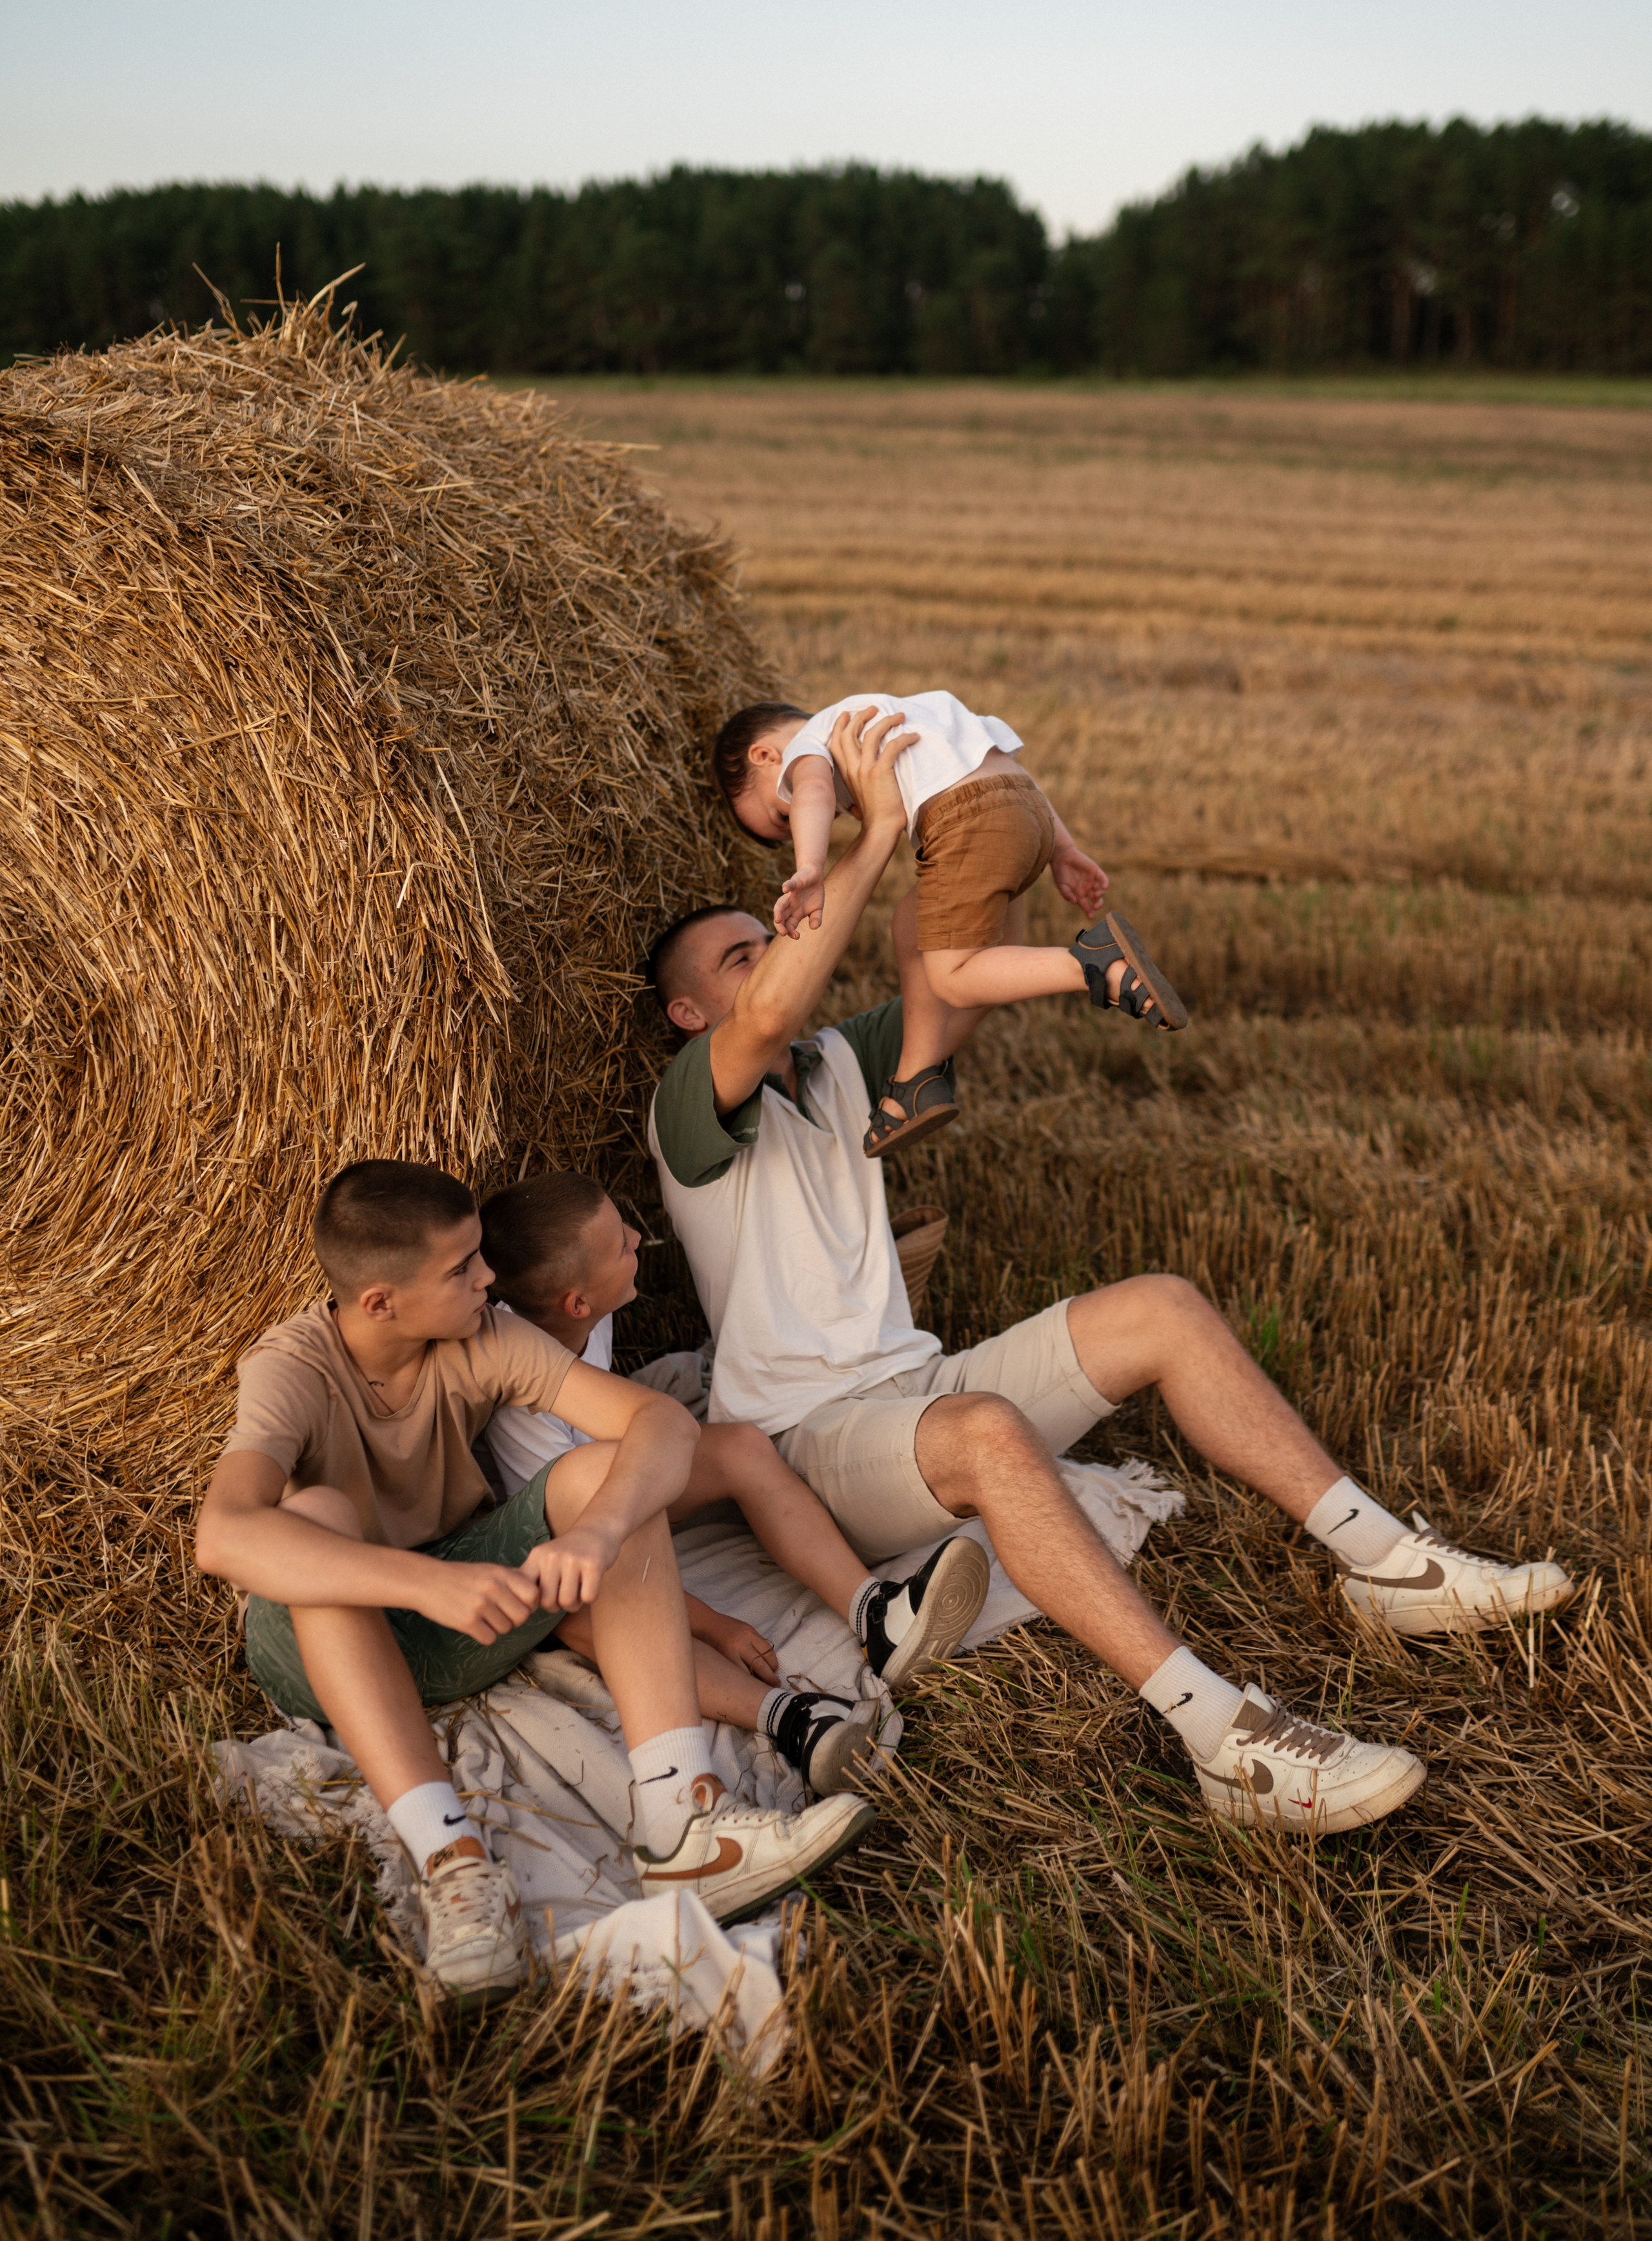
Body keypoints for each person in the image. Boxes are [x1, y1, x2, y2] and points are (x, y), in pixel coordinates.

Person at [647, 707, 1575, 1838]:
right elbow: (776, 999)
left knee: (1163, 1310)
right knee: (991, 1430)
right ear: (693, 1008)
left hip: (914, 1386)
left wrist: (982, 817)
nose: (780, 949)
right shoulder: (693, 1101)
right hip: (815, 1443)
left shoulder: (842, 1063)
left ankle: (1390, 1564)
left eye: (770, 933)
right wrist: (869, 832)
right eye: (741, 952)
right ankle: (1220, 1731)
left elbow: (960, 959)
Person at [194, 1161, 876, 2001]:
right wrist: (417, 1582)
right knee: (321, 1511)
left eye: (482, 1255)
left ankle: (681, 1819)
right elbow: (224, 1535)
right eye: (462, 1269)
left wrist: (598, 1526)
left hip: (465, 1614)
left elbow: (657, 1422)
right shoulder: (291, 1368)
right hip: (320, 1645)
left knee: (602, 1474)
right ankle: (455, 1865)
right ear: (380, 1301)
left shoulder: (484, 1333)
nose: (489, 1278)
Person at [477, 1168, 991, 1794]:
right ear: (575, 1305)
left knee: (742, 1448)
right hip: (558, 1557)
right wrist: (710, 1621)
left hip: (617, 1484)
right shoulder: (520, 1400)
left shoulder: (578, 1305)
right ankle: (791, 1718)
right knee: (596, 1619)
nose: (639, 1239)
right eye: (619, 1245)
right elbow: (577, 1562)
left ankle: (875, 1613)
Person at [710, 689, 1186, 1158]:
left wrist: (811, 866)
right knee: (909, 926)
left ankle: (1095, 964)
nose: (817, 817)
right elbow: (1007, 765)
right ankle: (916, 1082)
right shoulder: (901, 711)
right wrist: (1063, 850)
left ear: (766, 755)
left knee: (953, 978)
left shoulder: (810, 745)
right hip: (1027, 807)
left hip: (965, 821)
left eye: (780, 814)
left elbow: (812, 791)